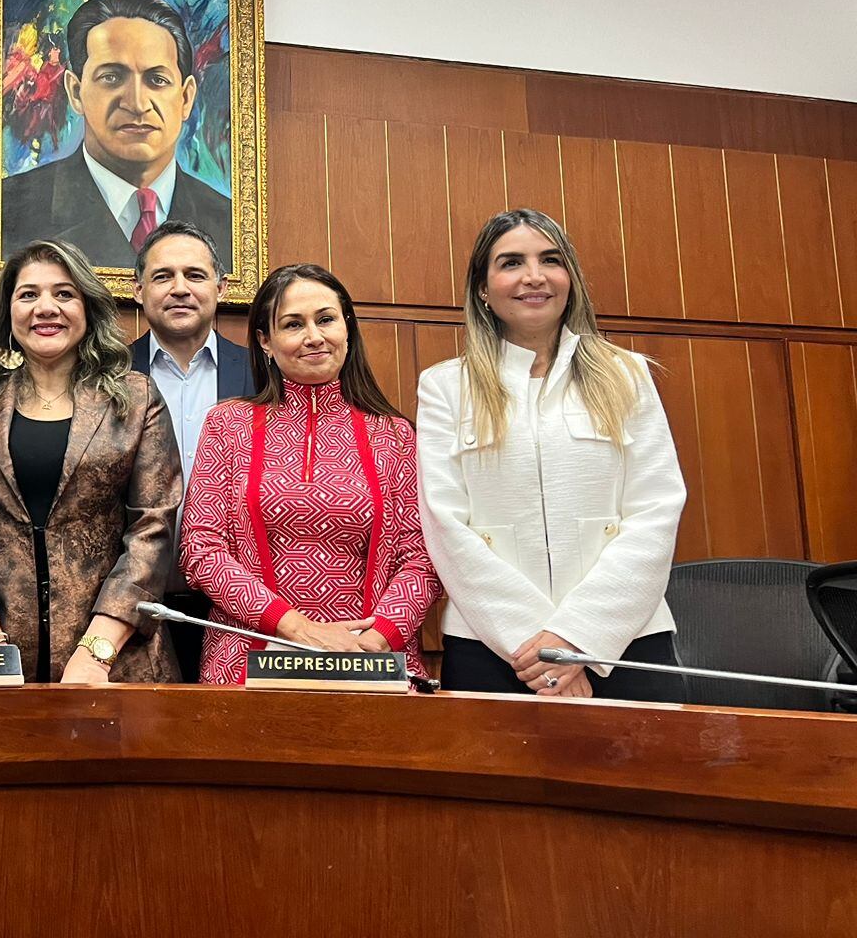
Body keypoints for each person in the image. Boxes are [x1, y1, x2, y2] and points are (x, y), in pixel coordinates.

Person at [417, 208, 686, 701]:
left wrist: (576, 638)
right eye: (511, 262)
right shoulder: (445, 387)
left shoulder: (626, 374)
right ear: (482, 287)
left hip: (624, 642)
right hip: (494, 648)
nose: (534, 277)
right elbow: (445, 524)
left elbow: (656, 510)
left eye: (550, 260)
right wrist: (540, 651)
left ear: (571, 278)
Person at [0, 239, 181, 684]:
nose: (46, 308)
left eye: (64, 294)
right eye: (29, 295)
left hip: (118, 662)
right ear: (7, 312)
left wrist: (97, 651)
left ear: (88, 308)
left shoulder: (138, 399)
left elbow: (152, 529)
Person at [181, 264, 439, 685]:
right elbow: (201, 549)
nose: (314, 337)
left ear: (347, 327)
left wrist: (375, 640)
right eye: (293, 324)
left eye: (325, 319)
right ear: (265, 340)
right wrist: (298, 629)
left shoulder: (394, 434)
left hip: (372, 659)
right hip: (249, 659)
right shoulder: (228, 425)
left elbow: (421, 557)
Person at [1, 0, 232, 270]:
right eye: (111, 77)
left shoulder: (229, 224)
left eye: (157, 80)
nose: (136, 103)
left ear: (186, 98)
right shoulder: (9, 210)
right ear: (75, 91)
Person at [129, 219, 254, 679]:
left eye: (195, 276)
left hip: (239, 609)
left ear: (220, 288)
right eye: (163, 276)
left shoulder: (263, 377)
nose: (180, 288)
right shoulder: (107, 377)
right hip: (134, 605)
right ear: (139, 290)